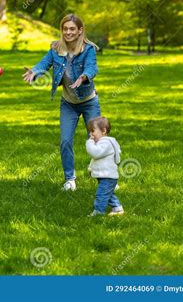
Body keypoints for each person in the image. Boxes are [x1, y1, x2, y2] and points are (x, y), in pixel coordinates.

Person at [23, 14, 101, 191]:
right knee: (65, 141)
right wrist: (35, 71)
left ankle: (106, 177)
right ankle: (70, 179)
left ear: (80, 30)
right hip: (68, 103)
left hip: (89, 101)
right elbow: (44, 63)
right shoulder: (56, 49)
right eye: (65, 28)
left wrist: (83, 77)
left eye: (72, 28)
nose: (68, 32)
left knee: (98, 140)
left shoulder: (88, 49)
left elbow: (92, 67)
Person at [86, 116, 124, 216]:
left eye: (93, 131)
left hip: (108, 176)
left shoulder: (106, 143)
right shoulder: (101, 143)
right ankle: (117, 208)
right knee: (108, 193)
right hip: (106, 175)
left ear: (103, 130)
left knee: (101, 195)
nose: (91, 134)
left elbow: (95, 153)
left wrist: (89, 142)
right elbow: (96, 159)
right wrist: (91, 169)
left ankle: (98, 212)